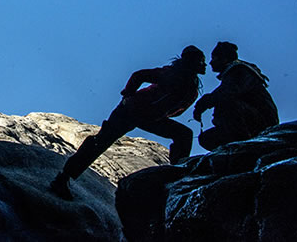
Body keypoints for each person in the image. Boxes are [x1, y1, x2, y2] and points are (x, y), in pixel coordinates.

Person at [50, 45, 206, 200]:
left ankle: (176, 173)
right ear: (193, 62)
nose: (205, 65)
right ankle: (63, 179)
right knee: (101, 141)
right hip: (131, 111)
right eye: (201, 61)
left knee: (183, 134)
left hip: (147, 116)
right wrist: (128, 96)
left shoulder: (188, 83)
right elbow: (139, 75)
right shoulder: (174, 74)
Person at [193, 41, 279, 151]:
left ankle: (241, 145)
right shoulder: (234, 73)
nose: (210, 62)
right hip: (255, 120)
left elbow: (226, 93)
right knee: (206, 138)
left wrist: (203, 103)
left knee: (227, 103)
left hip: (262, 123)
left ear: (224, 59)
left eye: (214, 58)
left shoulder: (239, 71)